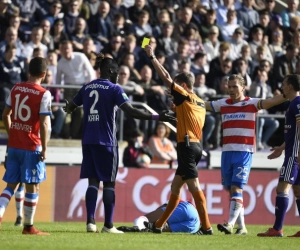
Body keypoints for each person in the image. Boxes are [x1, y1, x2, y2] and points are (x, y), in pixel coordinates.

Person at [63, 52, 176, 234]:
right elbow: (131, 111)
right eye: (116, 73)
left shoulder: (87, 87)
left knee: (92, 181)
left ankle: (90, 223)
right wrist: (157, 116)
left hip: (89, 141)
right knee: (108, 183)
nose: (117, 77)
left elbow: (71, 106)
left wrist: (67, 107)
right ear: (110, 71)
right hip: (107, 141)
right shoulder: (114, 89)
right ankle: (108, 225)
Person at [205, 74, 287, 235]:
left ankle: (229, 224)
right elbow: (202, 105)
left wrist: (289, 94)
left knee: (237, 187)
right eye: (229, 87)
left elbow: (271, 101)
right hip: (226, 152)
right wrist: (183, 99)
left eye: (235, 87)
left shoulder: (252, 103)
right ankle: (242, 227)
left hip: (244, 151)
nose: (231, 90)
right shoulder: (223, 103)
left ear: (243, 87)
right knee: (231, 189)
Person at [143, 45, 212, 235]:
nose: (173, 90)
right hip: (195, 145)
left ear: (183, 86)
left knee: (194, 187)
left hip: (187, 145)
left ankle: (206, 228)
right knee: (175, 187)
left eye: (176, 86)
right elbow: (190, 119)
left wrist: (152, 57)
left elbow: (166, 77)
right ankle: (158, 226)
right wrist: (177, 111)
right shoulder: (199, 101)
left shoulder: (185, 95)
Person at [0, 57, 52, 235]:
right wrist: (44, 149)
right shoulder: (43, 94)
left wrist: (13, 132)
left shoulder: (15, 88)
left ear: (29, 71)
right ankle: (28, 227)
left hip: (14, 145)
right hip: (31, 146)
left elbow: (5, 115)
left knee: (10, 186)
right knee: (33, 185)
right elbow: (45, 124)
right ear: (44, 74)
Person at [257, 74, 300, 237]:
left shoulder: (297, 103)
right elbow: (294, 133)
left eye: (283, 84)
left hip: (294, 156)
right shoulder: (293, 104)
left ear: (290, 86)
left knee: (282, 188)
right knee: (297, 191)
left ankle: (277, 229)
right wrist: (281, 147)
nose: (281, 87)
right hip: (291, 152)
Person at [117, 200, 200, 234]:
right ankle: (141, 229)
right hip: (194, 227)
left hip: (187, 208)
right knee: (159, 228)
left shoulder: (169, 203)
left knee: (143, 219)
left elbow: (164, 208)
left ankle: (137, 227)